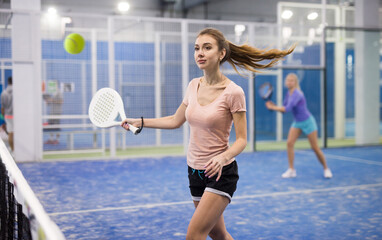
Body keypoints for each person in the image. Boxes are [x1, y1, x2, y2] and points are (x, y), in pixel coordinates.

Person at [122, 28, 294, 240]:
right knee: (219, 234)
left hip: (220, 174)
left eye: (207, 47)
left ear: (221, 53)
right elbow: (176, 120)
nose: (200, 53)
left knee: (194, 235)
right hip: (194, 172)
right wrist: (140, 121)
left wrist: (223, 158)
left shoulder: (234, 92)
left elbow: (242, 140)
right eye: (196, 48)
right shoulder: (193, 85)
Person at [265, 73, 333, 179]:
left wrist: (273, 108)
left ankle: (326, 168)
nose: (289, 82)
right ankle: (291, 170)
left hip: (308, 122)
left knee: (315, 148)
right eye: (288, 80)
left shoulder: (297, 94)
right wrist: (273, 106)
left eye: (291, 80)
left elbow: (287, 109)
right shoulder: (288, 93)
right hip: (297, 122)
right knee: (289, 143)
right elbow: (283, 109)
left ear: (295, 82)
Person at [1, 76, 13, 151]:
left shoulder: (4, 93)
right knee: (13, 133)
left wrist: (4, 116)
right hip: (15, 116)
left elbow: (2, 107)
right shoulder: (17, 92)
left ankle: (12, 149)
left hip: (8, 116)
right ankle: (14, 150)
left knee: (10, 133)